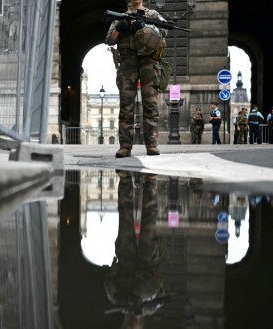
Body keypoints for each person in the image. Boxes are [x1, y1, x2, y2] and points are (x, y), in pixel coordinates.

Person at [104, 171, 169, 327]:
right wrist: (139, 296)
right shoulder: (151, 308)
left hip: (126, 258)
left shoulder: (118, 302)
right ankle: (151, 183)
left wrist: (119, 295)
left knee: (125, 214)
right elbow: (157, 287)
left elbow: (107, 281)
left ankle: (126, 180)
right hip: (147, 261)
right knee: (149, 217)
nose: (132, 326)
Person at [105, 0, 168, 157]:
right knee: (126, 104)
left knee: (150, 103)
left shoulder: (152, 15)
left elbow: (165, 31)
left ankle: (152, 145)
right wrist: (120, 27)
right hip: (127, 63)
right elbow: (109, 40)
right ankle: (125, 146)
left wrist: (145, 27)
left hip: (148, 61)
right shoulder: (120, 17)